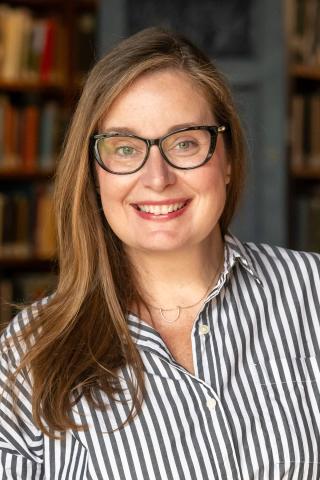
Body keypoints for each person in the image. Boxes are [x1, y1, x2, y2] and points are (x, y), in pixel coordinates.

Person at [1, 26, 320, 480]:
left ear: (226, 160)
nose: (157, 177)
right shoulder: (25, 358)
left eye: (185, 142)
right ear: (94, 174)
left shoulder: (313, 296)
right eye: (125, 148)